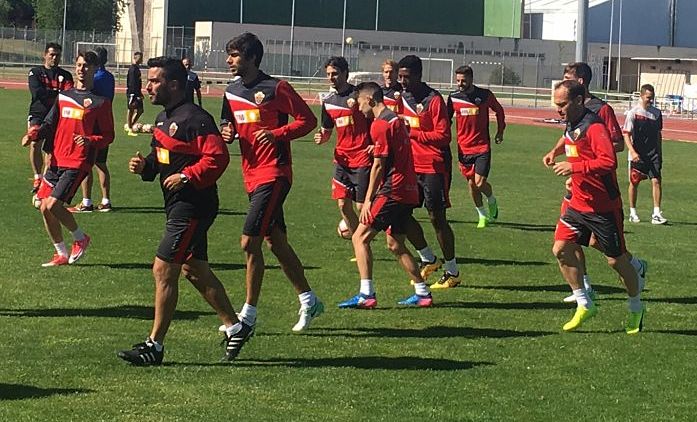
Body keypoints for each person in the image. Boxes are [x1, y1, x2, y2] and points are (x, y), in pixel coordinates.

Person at [119, 57, 246, 366]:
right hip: (177, 204)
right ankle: (235, 327)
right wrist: (145, 166)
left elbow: (218, 158)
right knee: (193, 268)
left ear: (174, 85)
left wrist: (188, 175)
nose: (147, 86)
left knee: (163, 269)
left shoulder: (196, 119)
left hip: (193, 205)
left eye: (154, 81)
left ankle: (155, 346)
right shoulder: (163, 119)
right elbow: (159, 159)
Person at [220, 32, 324, 333]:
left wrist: (277, 134)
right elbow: (229, 123)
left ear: (252, 58)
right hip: (250, 174)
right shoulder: (231, 90)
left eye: (235, 55)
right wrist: (228, 132)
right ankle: (309, 299)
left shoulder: (276, 87)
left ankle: (247, 317)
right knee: (275, 243)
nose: (229, 60)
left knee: (248, 242)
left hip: (275, 173)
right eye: (229, 55)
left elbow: (307, 120)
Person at [544, 80, 645, 334]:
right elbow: (569, 139)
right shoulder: (572, 122)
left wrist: (574, 167)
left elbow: (608, 161)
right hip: (577, 203)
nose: (558, 109)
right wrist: (555, 152)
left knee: (616, 261)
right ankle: (584, 303)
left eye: (562, 104)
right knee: (561, 249)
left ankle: (636, 306)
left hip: (603, 207)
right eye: (556, 104)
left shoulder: (594, 126)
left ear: (578, 101)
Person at [339, 82, 432, 308]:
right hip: (409, 190)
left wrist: (369, 198)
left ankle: (366, 294)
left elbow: (378, 167)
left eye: (359, 102)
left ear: (370, 100)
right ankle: (423, 293)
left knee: (359, 237)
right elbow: (395, 150)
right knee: (394, 244)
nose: (357, 107)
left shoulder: (379, 125)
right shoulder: (395, 120)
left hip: (393, 189)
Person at [21, 51, 113, 267]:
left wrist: (90, 139)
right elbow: (49, 124)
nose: (81, 69)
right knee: (44, 207)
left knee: (53, 205)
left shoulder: (100, 102)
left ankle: (81, 238)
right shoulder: (64, 96)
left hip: (78, 161)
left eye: (86, 66)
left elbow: (109, 136)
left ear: (94, 69)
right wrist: (33, 134)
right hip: (56, 159)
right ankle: (61, 253)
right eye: (79, 65)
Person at [397, 55, 460, 289]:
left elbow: (444, 137)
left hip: (434, 165)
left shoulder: (434, 100)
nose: (402, 81)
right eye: (400, 76)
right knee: (402, 214)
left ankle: (452, 271)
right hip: (410, 166)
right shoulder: (401, 98)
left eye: (407, 77)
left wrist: (411, 133)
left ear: (418, 75)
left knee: (437, 218)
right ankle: (428, 257)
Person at [314, 56, 372, 239]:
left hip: (362, 157)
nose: (331, 78)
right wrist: (321, 137)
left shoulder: (360, 96)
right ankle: (359, 245)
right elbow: (327, 131)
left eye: (335, 73)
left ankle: (381, 233)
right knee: (342, 206)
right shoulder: (328, 101)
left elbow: (376, 119)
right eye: (329, 74)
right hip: (341, 160)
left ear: (346, 73)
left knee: (361, 207)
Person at [447, 65, 505, 229]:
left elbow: (499, 111)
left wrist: (500, 131)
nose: (460, 83)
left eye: (463, 80)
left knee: (479, 183)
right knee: (472, 184)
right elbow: (445, 120)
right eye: (457, 80)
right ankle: (482, 215)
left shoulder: (484, 95)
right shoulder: (453, 98)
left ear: (471, 79)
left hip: (482, 147)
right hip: (463, 148)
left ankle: (491, 199)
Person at [71, 47, 115, 212]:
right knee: (101, 164)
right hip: (105, 124)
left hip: (91, 125)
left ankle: (86, 201)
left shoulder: (94, 77)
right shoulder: (109, 76)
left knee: (86, 164)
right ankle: (105, 200)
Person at [26, 42, 73, 196]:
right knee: (35, 143)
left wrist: (52, 95)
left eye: (58, 55)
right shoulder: (35, 72)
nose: (54, 58)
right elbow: (37, 93)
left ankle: (45, 182)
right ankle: (37, 176)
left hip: (57, 116)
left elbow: (68, 95)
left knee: (51, 151)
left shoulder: (66, 75)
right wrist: (56, 94)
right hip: (38, 114)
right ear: (45, 55)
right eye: (52, 54)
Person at [624, 84, 666, 225]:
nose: (650, 100)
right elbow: (626, 134)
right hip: (638, 153)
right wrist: (632, 151)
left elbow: (658, 134)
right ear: (641, 96)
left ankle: (656, 213)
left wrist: (659, 152)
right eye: (648, 97)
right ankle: (633, 212)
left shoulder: (657, 113)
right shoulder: (633, 113)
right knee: (634, 182)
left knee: (656, 181)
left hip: (653, 153)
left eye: (652, 98)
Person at [125, 51, 144, 136]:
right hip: (133, 94)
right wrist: (134, 94)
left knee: (140, 110)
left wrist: (140, 93)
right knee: (131, 109)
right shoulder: (133, 69)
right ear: (136, 58)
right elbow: (132, 83)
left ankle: (130, 124)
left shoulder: (137, 68)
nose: (141, 60)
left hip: (137, 93)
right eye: (140, 58)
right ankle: (130, 128)